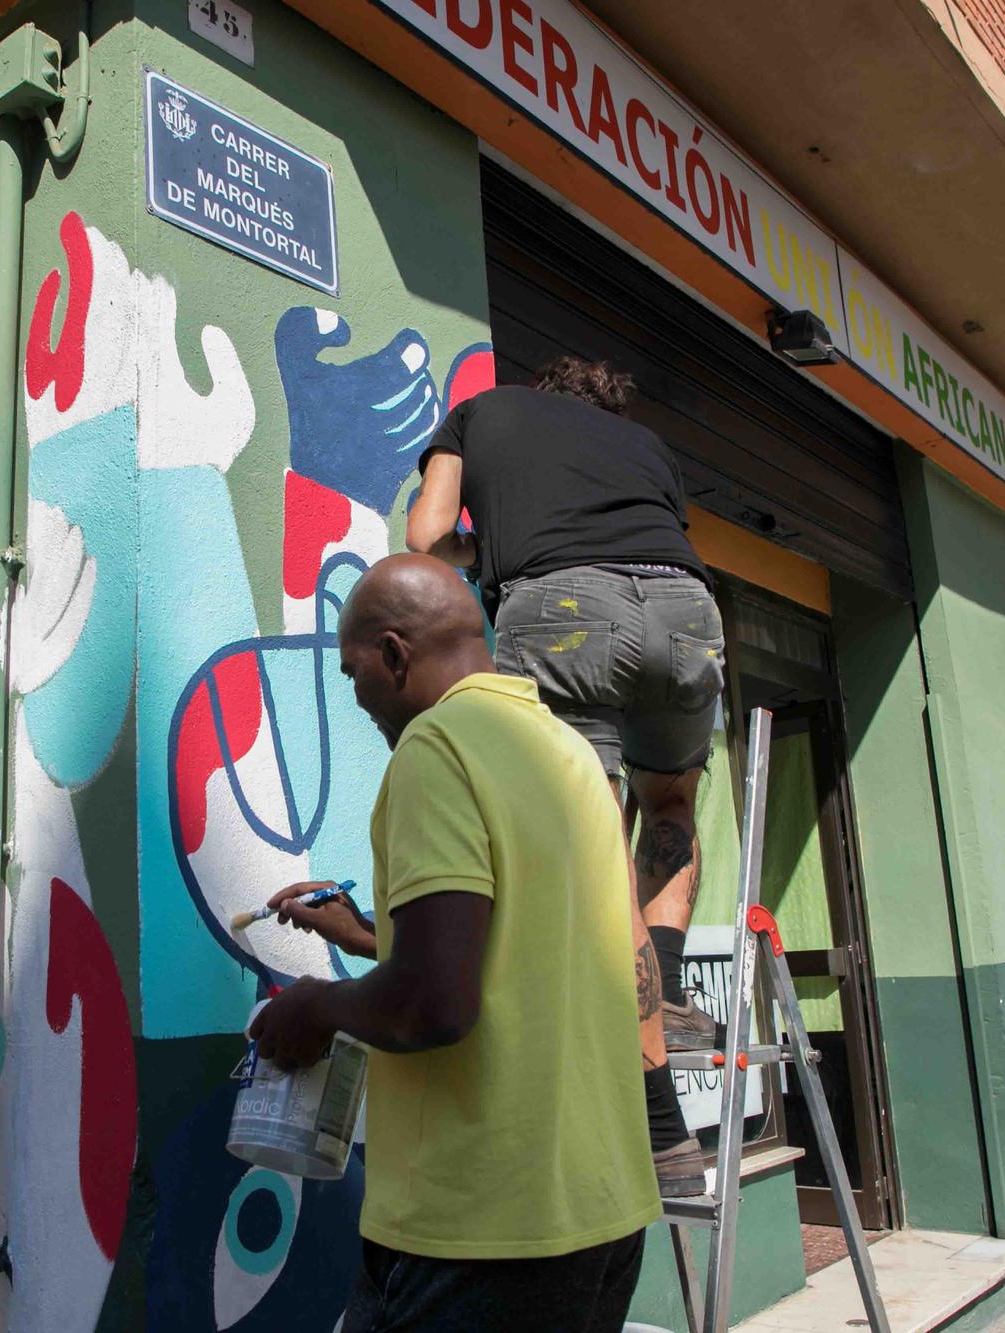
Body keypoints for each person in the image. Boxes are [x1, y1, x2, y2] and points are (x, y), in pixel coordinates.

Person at [250, 554, 658, 1333]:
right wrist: (372, 938)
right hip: (601, 1216)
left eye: (354, 672)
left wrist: (316, 1006)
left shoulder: (435, 749)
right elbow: (530, 955)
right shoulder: (570, 754)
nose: (357, 695)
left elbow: (435, 1004)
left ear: (396, 653)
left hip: (484, 1234)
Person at [404, 354, 726, 1196]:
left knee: (591, 829)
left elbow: (428, 536)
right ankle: (670, 986)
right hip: (688, 611)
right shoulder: (647, 446)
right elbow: (663, 543)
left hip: (565, 607)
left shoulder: (479, 412)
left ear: (544, 392)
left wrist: (487, 549)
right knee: (668, 800)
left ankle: (660, 1123)